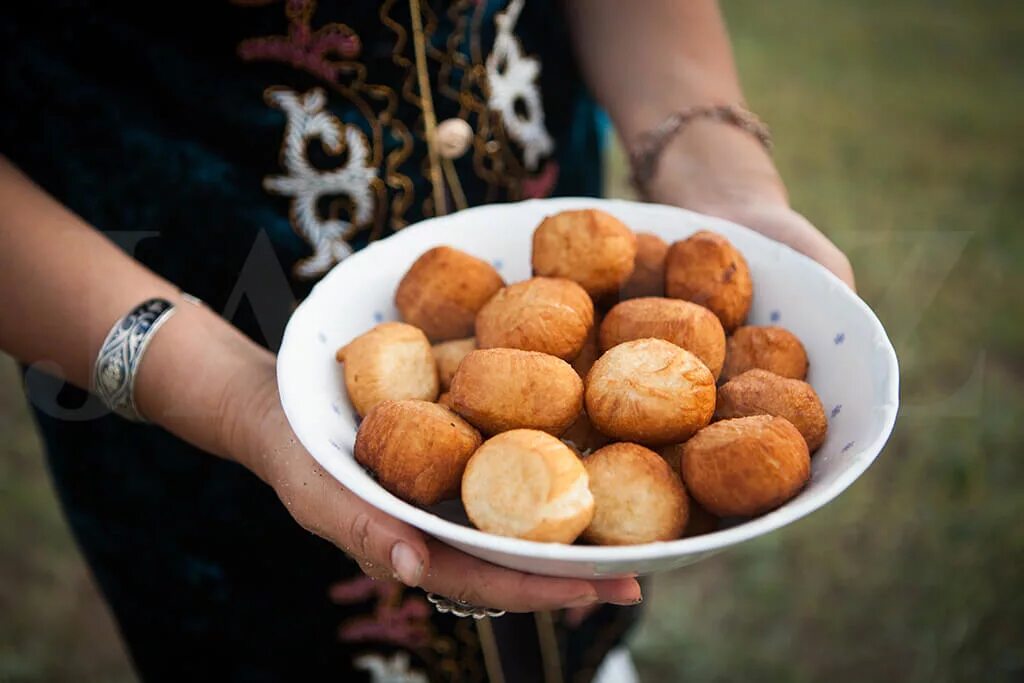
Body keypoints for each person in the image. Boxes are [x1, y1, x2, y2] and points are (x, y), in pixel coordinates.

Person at [0, 1, 853, 681]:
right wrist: (231, 391)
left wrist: (716, 172)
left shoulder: (610, 342)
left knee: (574, 624)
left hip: (544, 209)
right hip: (177, 354)